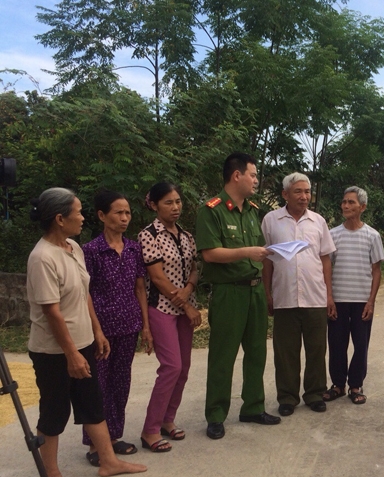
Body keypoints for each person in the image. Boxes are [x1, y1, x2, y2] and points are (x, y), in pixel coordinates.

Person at [26, 188, 146, 477]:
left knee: (93, 404)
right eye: (77, 212)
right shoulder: (42, 257)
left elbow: (85, 294)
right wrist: (71, 354)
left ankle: (108, 461)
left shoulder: (73, 248)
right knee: (54, 412)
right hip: (54, 351)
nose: (82, 217)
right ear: (59, 218)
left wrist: (96, 333)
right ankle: (50, 476)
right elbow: (52, 312)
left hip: (82, 343)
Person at [196, 153, 279, 440]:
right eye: (253, 175)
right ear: (236, 176)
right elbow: (209, 253)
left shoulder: (252, 210)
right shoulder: (212, 210)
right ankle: (216, 415)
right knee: (223, 355)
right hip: (229, 292)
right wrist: (246, 252)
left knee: (257, 351)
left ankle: (253, 407)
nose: (256, 180)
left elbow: (259, 249)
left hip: (255, 289)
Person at [81, 190, 153, 466]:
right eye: (118, 213)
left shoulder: (134, 249)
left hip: (129, 324)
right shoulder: (91, 251)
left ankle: (113, 437)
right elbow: (85, 292)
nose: (124, 218)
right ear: (102, 215)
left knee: (120, 384)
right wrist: (96, 330)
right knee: (97, 385)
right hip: (101, 327)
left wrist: (145, 325)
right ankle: (94, 446)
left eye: (127, 213)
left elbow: (139, 288)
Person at [261, 173, 336, 416]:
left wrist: (329, 295)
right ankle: (287, 397)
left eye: (307, 192)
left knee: (316, 350)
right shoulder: (271, 220)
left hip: (315, 296)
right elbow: (267, 261)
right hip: (284, 296)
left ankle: (314, 394)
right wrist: (267, 293)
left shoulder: (318, 222)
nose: (304, 197)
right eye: (298, 192)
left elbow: (325, 259)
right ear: (285, 194)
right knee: (285, 352)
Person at [139, 182, 201, 452]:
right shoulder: (148, 235)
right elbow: (157, 278)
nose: (175, 207)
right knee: (171, 367)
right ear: (154, 205)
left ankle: (168, 419)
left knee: (184, 369)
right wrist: (185, 304)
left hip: (185, 305)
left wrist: (188, 291)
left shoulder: (187, 236)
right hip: (162, 308)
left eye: (178, 201)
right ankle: (150, 429)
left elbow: (195, 268)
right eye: (168, 202)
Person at [323, 186, 384, 405]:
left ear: (362, 207)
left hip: (361, 302)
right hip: (338, 300)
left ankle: (356, 385)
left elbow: (376, 270)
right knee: (336, 343)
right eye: (344, 202)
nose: (346, 206)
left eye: (351, 202)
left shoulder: (372, 235)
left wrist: (371, 301)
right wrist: (328, 298)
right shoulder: (332, 235)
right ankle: (338, 385)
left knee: (361, 345)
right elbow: (327, 267)